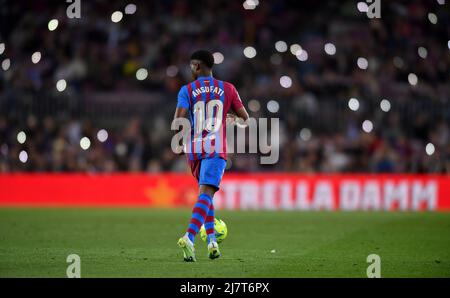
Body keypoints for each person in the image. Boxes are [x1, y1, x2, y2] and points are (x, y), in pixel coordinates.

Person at [173, 50, 249, 261]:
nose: (190, 69)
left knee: (205, 194)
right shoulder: (228, 88)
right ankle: (189, 236)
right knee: (207, 193)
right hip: (215, 148)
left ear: (198, 66)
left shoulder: (186, 90)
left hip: (194, 148)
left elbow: (178, 120)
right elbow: (245, 118)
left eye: (191, 66)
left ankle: (212, 242)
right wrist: (228, 116)